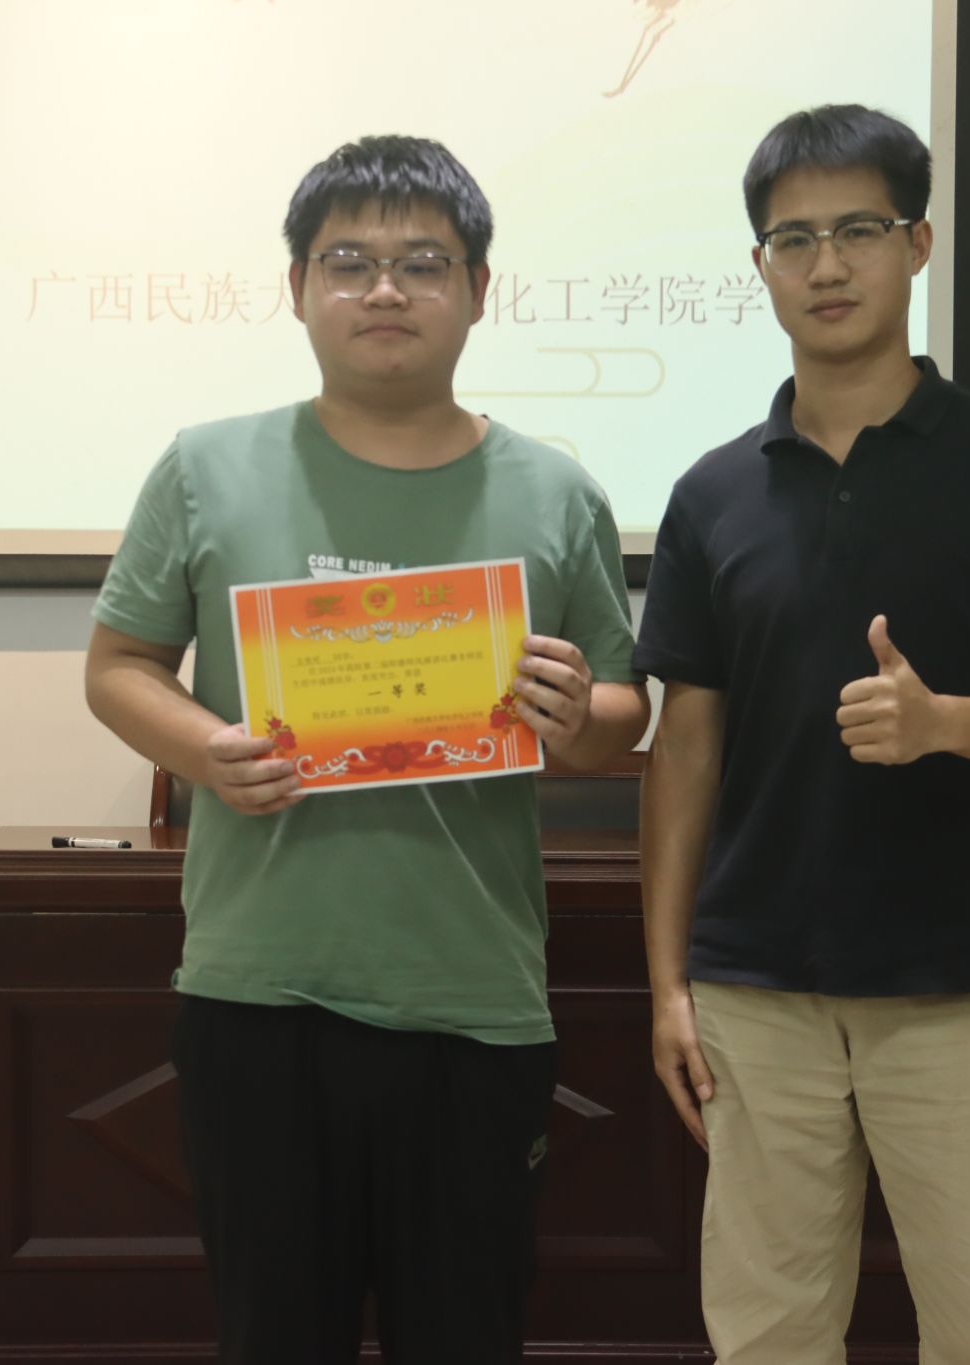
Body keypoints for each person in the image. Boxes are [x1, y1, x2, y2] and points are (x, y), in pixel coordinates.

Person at [83, 134, 649, 1364]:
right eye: (347, 262)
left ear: (478, 290)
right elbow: (118, 666)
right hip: (258, 991)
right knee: (274, 1336)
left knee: (466, 1336)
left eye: (421, 263)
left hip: (473, 996)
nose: (384, 289)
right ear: (297, 287)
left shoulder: (554, 491)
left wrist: (579, 717)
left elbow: (621, 714)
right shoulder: (204, 466)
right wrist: (207, 750)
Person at [634, 104, 970, 1365]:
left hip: (963, 984)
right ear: (759, 267)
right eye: (792, 239)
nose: (826, 264)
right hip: (755, 992)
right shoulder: (711, 493)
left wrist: (940, 721)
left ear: (915, 244)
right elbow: (684, 750)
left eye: (856, 230)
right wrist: (668, 985)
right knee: (766, 1338)